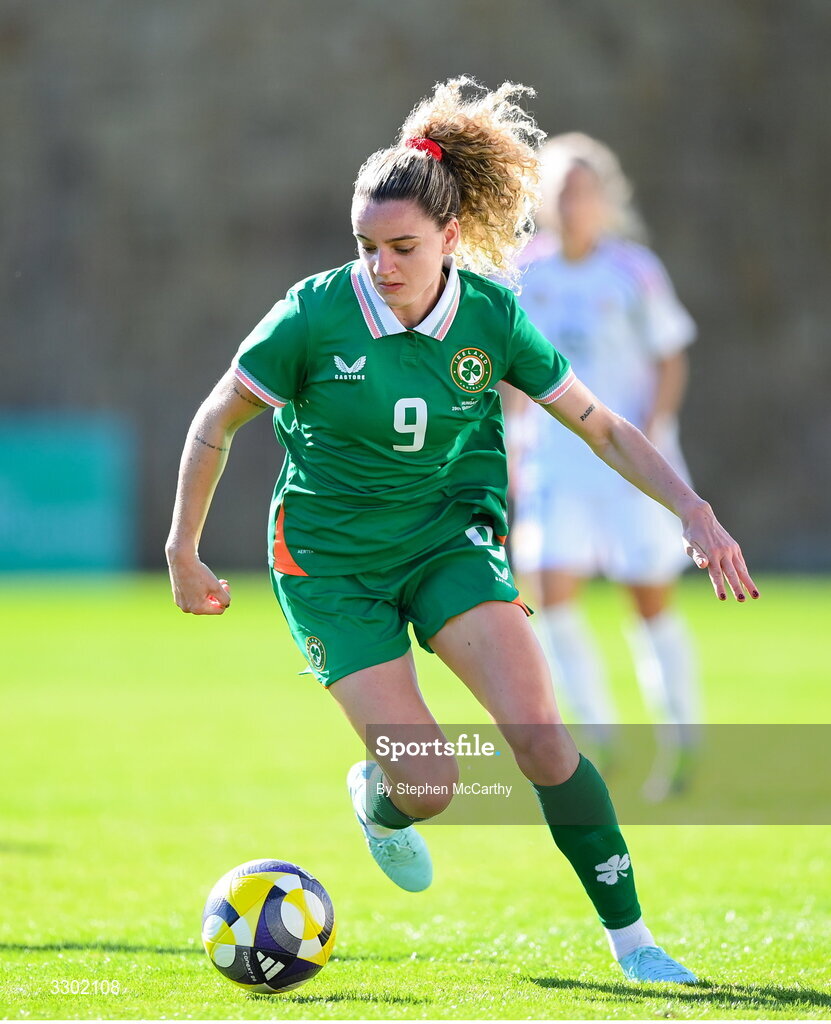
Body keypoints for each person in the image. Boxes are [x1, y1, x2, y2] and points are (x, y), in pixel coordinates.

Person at [166, 78, 758, 986]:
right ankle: (386, 801)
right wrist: (182, 547)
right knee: (434, 788)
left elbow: (599, 424)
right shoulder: (314, 313)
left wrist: (692, 507)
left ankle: (636, 948)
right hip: (330, 568)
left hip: (448, 540)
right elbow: (215, 420)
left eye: (402, 246)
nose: (381, 266)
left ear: (449, 237)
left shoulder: (491, 316)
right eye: (367, 247)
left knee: (543, 742)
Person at [505, 134, 702, 798]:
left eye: (583, 189)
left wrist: (651, 431)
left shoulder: (633, 271)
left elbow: (670, 354)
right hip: (556, 465)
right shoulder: (526, 273)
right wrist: (513, 443)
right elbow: (510, 370)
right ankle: (596, 735)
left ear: (603, 199)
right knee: (546, 594)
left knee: (646, 600)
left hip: (627, 465)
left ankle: (681, 740)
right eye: (560, 190)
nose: (572, 201)